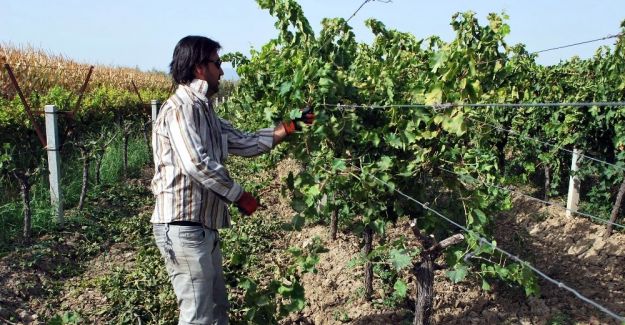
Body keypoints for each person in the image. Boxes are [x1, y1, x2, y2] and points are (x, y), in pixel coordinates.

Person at [150, 35, 314, 325]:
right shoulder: (180, 109)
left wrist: (291, 126)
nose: (222, 71)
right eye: (217, 63)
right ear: (200, 68)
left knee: (216, 311)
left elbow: (246, 142)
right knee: (198, 317)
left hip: (202, 228)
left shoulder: (205, 112)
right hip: (183, 228)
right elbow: (196, 163)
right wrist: (240, 195)